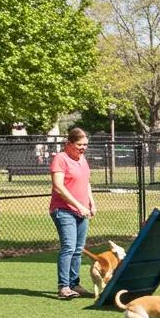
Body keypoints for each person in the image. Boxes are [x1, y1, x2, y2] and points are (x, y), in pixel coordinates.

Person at [49, 127, 96, 299]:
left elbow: (86, 182)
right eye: (79, 145)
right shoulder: (60, 159)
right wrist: (78, 205)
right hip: (63, 210)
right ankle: (64, 287)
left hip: (81, 211)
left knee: (78, 249)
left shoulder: (82, 159)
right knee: (68, 247)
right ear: (69, 143)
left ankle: (75, 284)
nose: (82, 148)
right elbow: (58, 187)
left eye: (85, 145)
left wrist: (91, 202)